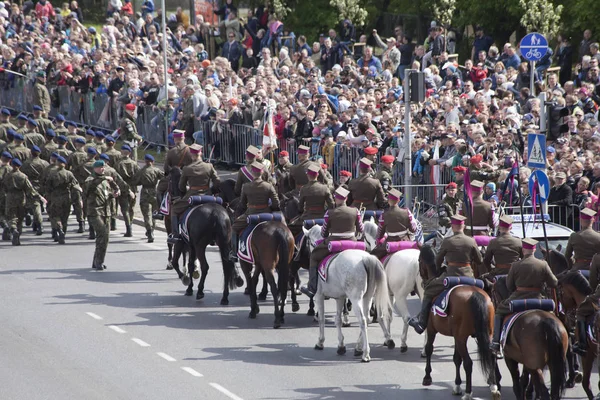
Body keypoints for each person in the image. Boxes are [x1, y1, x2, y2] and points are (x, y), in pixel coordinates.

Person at [409, 214, 483, 334]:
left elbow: (437, 261)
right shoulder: (471, 241)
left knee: (428, 292)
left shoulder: (447, 241)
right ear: (463, 226)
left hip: (451, 276)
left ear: (453, 227)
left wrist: (440, 268)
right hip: (469, 277)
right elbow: (479, 261)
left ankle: (422, 323)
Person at [490, 238, 558, 353]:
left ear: (523, 250)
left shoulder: (516, 265)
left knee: (499, 311)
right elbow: (554, 283)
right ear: (534, 249)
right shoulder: (543, 264)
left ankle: (496, 342)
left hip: (518, 299)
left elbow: (509, 285)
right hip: (539, 299)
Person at [300, 187, 363, 297]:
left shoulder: (330, 213)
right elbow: (361, 229)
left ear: (335, 199)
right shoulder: (355, 211)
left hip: (334, 241)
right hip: (352, 241)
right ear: (346, 198)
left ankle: (312, 287)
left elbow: (323, 233)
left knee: (314, 256)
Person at [169, 144, 220, 243]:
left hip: (192, 195)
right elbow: (217, 181)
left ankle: (175, 235)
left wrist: (186, 190)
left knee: (175, 209)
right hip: (208, 195)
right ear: (200, 153)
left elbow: (181, 186)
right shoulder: (209, 166)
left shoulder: (187, 168)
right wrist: (212, 190)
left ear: (191, 155)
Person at [230, 161, 280, 259]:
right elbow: (276, 203)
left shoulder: (246, 187)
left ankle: (234, 253)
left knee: (234, 228)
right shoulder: (268, 186)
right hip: (267, 214)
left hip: (251, 214)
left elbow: (243, 204)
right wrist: (271, 209)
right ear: (262, 173)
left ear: (252, 173)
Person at [84, 160, 121, 270]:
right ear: (94, 168)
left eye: (103, 167)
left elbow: (106, 194)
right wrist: (105, 178)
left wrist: (114, 194)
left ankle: (97, 261)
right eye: (100, 167)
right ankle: (98, 261)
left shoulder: (105, 181)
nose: (102, 169)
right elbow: (90, 186)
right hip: (95, 212)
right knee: (102, 234)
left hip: (106, 211)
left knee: (104, 238)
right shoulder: (90, 179)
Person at [4, 158, 45, 245]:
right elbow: (30, 189)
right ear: (19, 166)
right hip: (21, 197)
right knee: (20, 217)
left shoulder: (7, 176)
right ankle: (18, 234)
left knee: (11, 216)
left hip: (10, 197)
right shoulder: (23, 176)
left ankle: (13, 229)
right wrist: (39, 196)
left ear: (11, 165)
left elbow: (4, 187)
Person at [288, 164, 334, 238]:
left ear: (308, 175)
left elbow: (300, 206)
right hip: (322, 217)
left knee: (291, 229)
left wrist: (301, 211)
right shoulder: (325, 188)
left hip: (307, 217)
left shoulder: (304, 188)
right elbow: (331, 205)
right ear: (318, 175)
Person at [371, 188, 417, 259]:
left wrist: (379, 240)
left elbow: (379, 233)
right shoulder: (407, 212)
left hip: (390, 242)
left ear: (388, 201)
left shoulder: (384, 215)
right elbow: (414, 229)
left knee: (373, 256)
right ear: (398, 200)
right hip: (406, 241)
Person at [45, 156, 81, 244]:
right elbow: (75, 185)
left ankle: (59, 229)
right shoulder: (69, 173)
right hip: (66, 196)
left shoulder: (52, 173)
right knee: (65, 216)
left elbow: (47, 186)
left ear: (57, 163)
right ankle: (63, 234)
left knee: (55, 215)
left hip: (55, 196)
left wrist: (47, 196)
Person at [133, 154, 164, 242]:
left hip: (145, 193)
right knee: (154, 213)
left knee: (147, 215)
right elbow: (164, 178)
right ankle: (152, 230)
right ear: (153, 162)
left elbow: (136, 181)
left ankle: (149, 231)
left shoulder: (141, 171)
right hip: (154, 192)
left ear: (145, 161)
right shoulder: (156, 170)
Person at [21, 145, 49, 235]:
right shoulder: (45, 163)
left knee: (34, 205)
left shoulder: (25, 164)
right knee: (38, 205)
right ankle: (37, 223)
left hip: (31, 186)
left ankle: (38, 223)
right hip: (41, 186)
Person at [115, 145, 140, 237]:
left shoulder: (118, 164)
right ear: (130, 153)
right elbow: (139, 175)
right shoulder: (134, 163)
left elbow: (116, 177)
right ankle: (131, 224)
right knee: (131, 208)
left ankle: (128, 227)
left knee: (124, 209)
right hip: (133, 187)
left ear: (121, 152)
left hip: (122, 187)